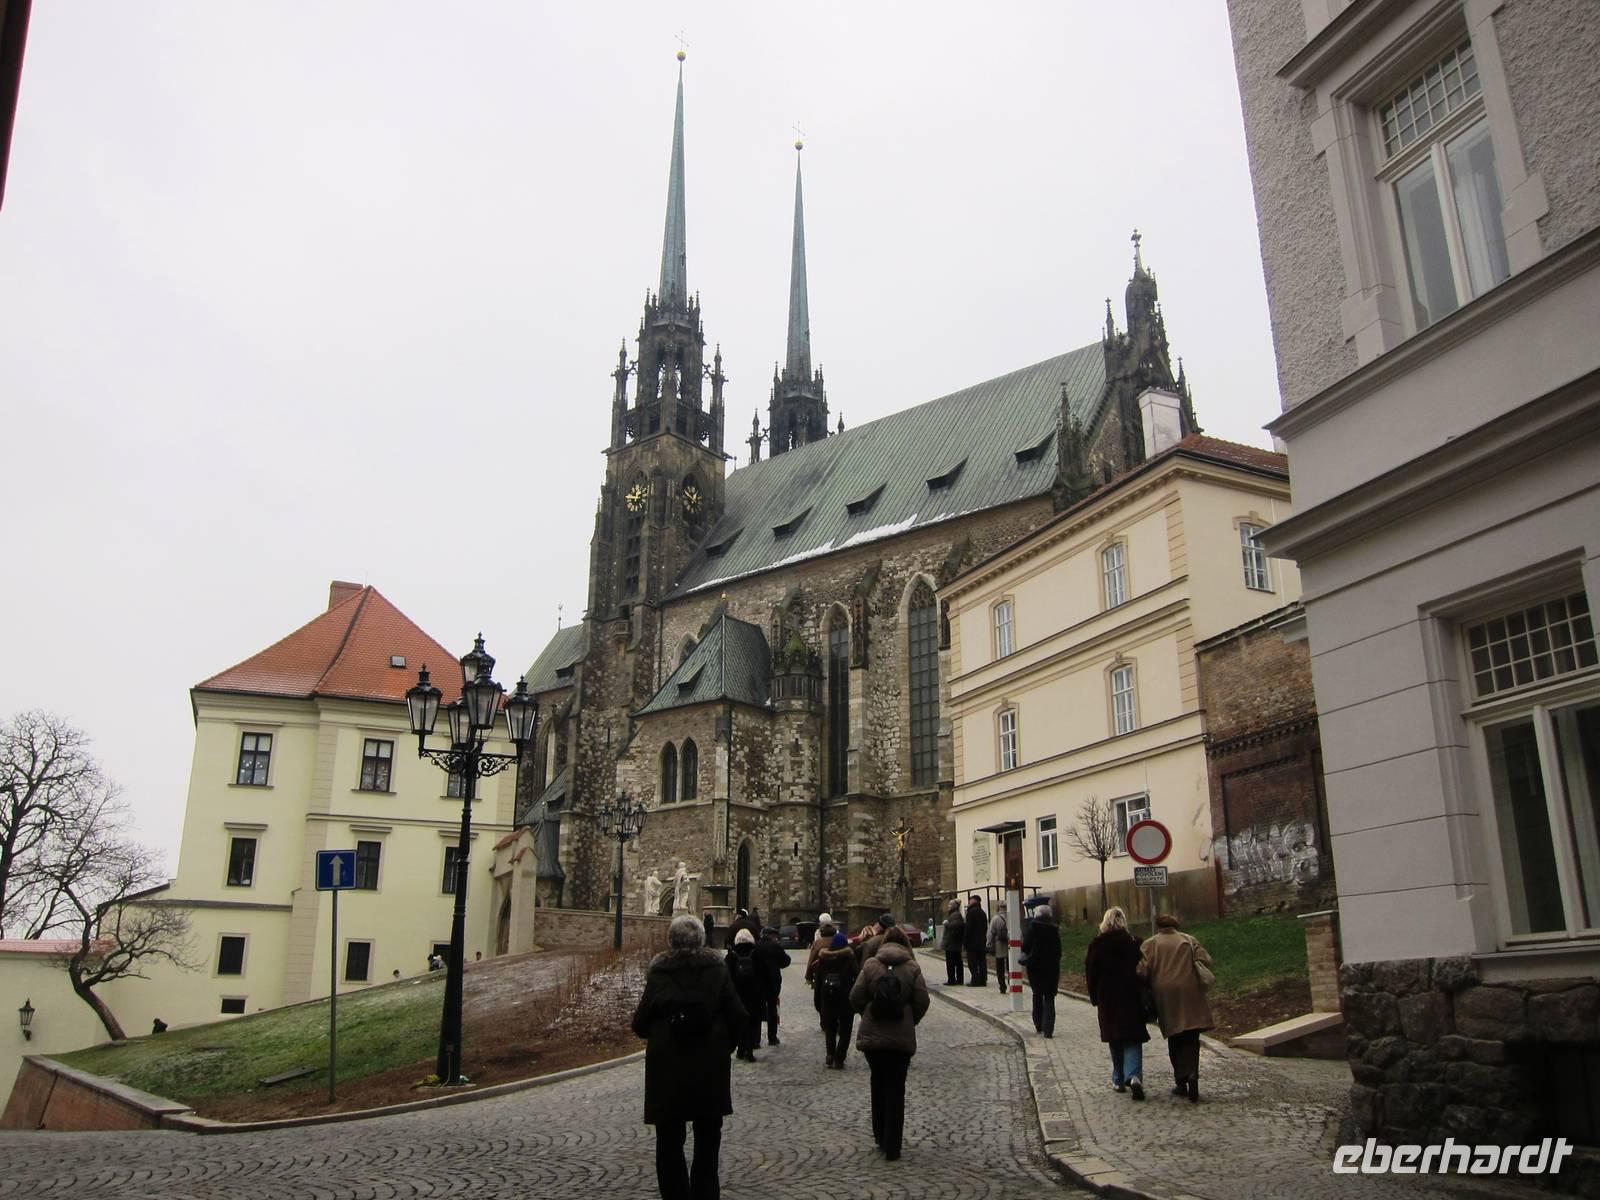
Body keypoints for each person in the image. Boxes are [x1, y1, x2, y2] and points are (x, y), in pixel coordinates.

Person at [632, 913, 746, 1200]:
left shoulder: (659, 973)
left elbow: (640, 1024)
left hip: (667, 1071)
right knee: (708, 1140)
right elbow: (739, 1018)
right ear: (702, 939)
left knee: (669, 1142)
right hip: (709, 1068)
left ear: (671, 941)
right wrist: (725, 1045)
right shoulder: (717, 970)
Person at [849, 925, 930, 1160]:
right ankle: (893, 1145)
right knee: (896, 1089)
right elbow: (922, 1001)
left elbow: (855, 996)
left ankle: (880, 1136)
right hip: (900, 1039)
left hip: (873, 1039)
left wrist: (867, 1013)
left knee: (878, 1083)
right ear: (905, 944)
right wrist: (909, 1019)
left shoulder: (871, 965)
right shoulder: (912, 968)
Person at [1139, 913, 1214, 1103]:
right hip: (1190, 992)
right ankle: (1193, 1073)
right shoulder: (1188, 939)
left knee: (1175, 1036)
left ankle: (1181, 1081)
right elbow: (1205, 959)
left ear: (1158, 926)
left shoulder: (1150, 944)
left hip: (1165, 995)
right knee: (1192, 1036)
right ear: (1175, 925)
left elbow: (1142, 971)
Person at [1085, 906, 1148, 1101]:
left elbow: (1091, 974)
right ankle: (1134, 1075)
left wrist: (1094, 997)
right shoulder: (1133, 943)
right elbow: (1144, 969)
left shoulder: (1097, 945)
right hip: (1131, 995)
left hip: (1108, 998)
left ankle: (1118, 1079)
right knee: (1132, 1038)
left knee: (1115, 1038)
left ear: (1105, 922)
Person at [813, 929, 859, 1068]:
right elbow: (857, 977)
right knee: (845, 1030)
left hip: (828, 998)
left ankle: (830, 1055)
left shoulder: (823, 958)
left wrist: (818, 1002)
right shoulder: (849, 957)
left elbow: (819, 983)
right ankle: (839, 1058)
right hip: (845, 999)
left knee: (830, 1030)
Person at [725, 928, 767, 1060]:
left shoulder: (731, 955)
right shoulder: (757, 954)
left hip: (737, 993)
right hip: (754, 993)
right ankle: (749, 1050)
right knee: (752, 1022)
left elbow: (726, 975)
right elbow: (763, 974)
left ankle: (740, 1049)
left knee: (739, 1021)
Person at [1022, 902, 1062, 1037]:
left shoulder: (1032, 928)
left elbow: (1025, 947)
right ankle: (1049, 1029)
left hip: (1035, 966)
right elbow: (1059, 951)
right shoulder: (1054, 929)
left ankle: (1038, 1024)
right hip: (1051, 967)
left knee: (1037, 994)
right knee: (1050, 996)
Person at [753, 927, 792, 1046]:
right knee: (772, 1009)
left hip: (757, 982)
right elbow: (786, 961)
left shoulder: (755, 946)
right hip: (772, 982)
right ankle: (772, 1037)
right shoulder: (775, 947)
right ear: (771, 936)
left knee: (757, 1010)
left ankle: (755, 1040)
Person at [964, 895, 989, 986]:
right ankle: (983, 979)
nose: (969, 902)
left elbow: (968, 928)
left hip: (972, 943)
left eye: (970, 900)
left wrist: (965, 941)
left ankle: (975, 980)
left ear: (974, 901)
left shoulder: (971, 912)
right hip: (981, 942)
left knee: (972, 962)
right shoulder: (982, 912)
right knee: (982, 962)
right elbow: (985, 927)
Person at [941, 899, 965, 985]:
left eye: (949, 905)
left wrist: (947, 924)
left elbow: (956, 926)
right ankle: (958, 979)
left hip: (952, 944)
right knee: (957, 962)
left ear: (954, 906)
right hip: (954, 944)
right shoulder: (955, 914)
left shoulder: (955, 915)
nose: (948, 906)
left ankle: (952, 980)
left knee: (952, 963)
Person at [987, 906, 1010, 996]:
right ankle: (1012, 984)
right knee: (1010, 966)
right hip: (1010, 944)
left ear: (998, 909)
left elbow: (990, 932)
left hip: (999, 945)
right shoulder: (1011, 916)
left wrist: (988, 944)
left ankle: (1002, 987)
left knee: (1000, 967)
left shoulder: (995, 918)